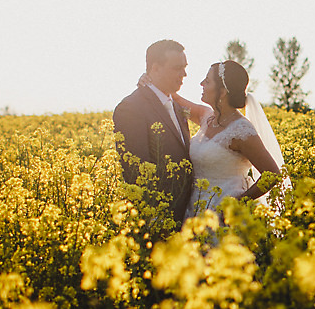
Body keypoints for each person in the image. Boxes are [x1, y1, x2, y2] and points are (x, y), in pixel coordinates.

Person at [150, 59, 282, 220]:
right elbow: (174, 99)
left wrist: (239, 201)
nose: (201, 84)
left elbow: (272, 174)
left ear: (223, 91)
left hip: (225, 216)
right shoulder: (206, 117)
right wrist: (152, 83)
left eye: (207, 81)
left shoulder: (241, 130)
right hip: (195, 209)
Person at [113, 40, 194, 222]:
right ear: (155, 68)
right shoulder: (131, 108)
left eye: (185, 67)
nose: (184, 74)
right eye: (177, 68)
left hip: (187, 216)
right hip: (158, 219)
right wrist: (156, 219)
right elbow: (136, 171)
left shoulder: (177, 106)